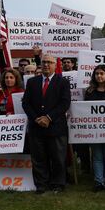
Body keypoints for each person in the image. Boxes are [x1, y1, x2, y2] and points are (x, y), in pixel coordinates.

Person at [22, 55, 71, 193]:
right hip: (36, 127)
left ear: (55, 65)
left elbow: (64, 103)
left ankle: (58, 184)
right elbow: (26, 103)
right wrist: (36, 118)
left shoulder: (63, 82)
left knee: (58, 158)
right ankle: (41, 184)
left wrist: (48, 118)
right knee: (38, 158)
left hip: (56, 127)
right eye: (44, 62)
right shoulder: (32, 82)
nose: (46, 65)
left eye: (49, 62)